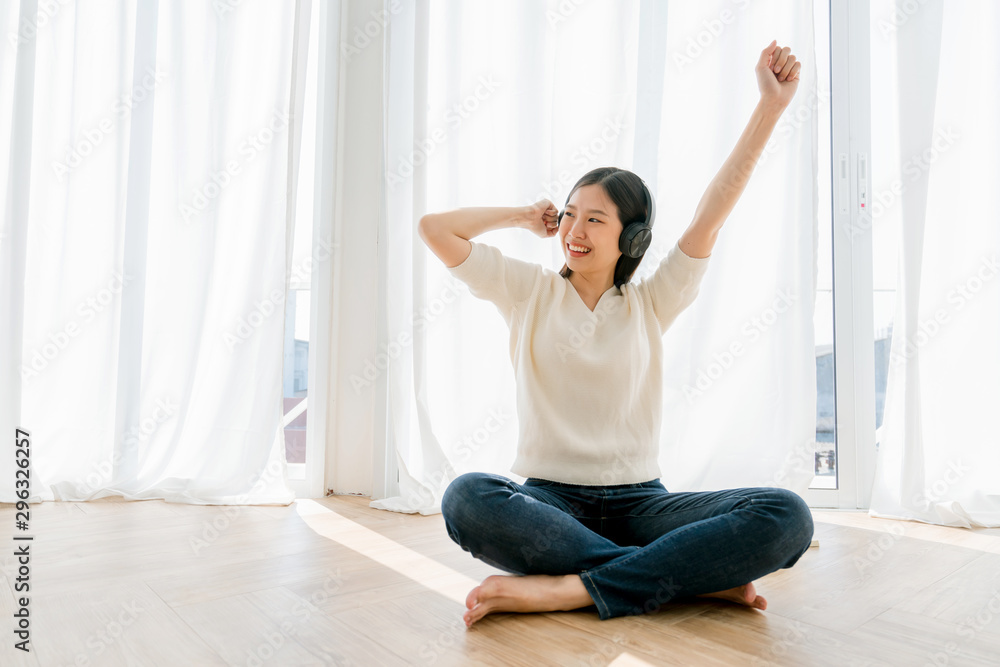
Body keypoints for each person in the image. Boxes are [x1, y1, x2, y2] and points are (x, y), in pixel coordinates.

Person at [418, 40, 812, 628]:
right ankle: (680, 579)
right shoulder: (529, 291)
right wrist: (521, 218)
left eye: (595, 219)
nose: (574, 230)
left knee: (786, 514)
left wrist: (770, 107)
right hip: (548, 502)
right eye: (571, 214)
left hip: (642, 502)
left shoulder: (653, 300)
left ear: (630, 238)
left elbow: (715, 207)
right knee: (466, 498)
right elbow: (435, 229)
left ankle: (570, 589)